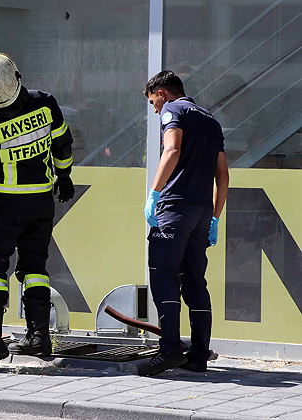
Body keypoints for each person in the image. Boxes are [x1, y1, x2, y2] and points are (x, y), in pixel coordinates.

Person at [0, 51, 75, 369]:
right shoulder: (45, 103)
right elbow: (62, 144)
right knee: (35, 267)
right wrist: (64, 176)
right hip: (41, 202)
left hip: (2, 207)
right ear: (17, 76)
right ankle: (39, 338)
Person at [140, 70, 229, 376]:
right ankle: (199, 356)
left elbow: (172, 149)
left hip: (175, 208)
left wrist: (154, 193)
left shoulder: (173, 110)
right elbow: (222, 175)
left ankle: (169, 351)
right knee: (195, 282)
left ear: (162, 94)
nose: (155, 110)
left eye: (154, 102)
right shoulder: (210, 119)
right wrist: (215, 216)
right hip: (202, 212)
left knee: (164, 275)